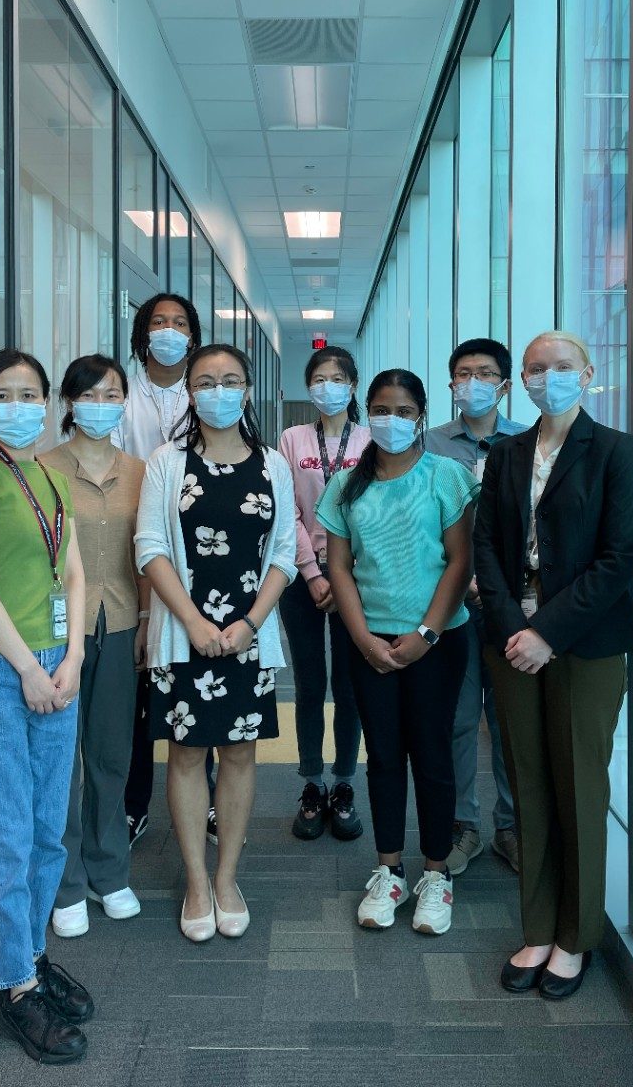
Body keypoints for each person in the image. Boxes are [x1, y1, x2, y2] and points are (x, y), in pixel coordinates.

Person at [474, 331, 633, 1000]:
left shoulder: (614, 452)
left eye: (563, 367)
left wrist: (546, 631)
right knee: (529, 784)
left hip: (585, 644)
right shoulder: (508, 453)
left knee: (579, 785)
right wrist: (514, 628)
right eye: (537, 369)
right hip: (513, 640)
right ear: (522, 379)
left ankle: (576, 937)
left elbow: (619, 554)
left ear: (589, 374)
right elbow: (487, 543)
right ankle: (538, 928)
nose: (550, 378)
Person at [0, 349, 93, 1064]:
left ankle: (30, 959)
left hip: (53, 674)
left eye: (31, 394)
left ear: (48, 403)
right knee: (4, 841)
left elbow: (73, 573)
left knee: (46, 833)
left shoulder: (49, 477)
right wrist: (30, 668)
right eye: (4, 394)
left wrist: (74, 657)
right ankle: (14, 988)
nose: (19, 405)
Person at [134, 343, 296, 941]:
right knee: (184, 753)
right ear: (190, 393)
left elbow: (282, 552)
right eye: (206, 381)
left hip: (248, 638)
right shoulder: (166, 463)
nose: (218, 391)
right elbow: (149, 547)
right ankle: (196, 882)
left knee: (240, 753)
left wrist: (249, 623)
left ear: (247, 390)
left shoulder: (272, 464)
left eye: (230, 381)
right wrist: (194, 623)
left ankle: (228, 876)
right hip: (184, 636)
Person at [316, 369, 479, 937]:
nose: (392, 419)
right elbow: (338, 566)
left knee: (432, 753)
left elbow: (460, 562)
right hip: (369, 640)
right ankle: (388, 871)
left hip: (437, 641)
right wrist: (362, 637)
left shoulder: (448, 477)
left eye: (405, 410)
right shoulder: (346, 486)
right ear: (367, 413)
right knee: (383, 755)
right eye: (381, 409)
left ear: (421, 414)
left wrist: (426, 635)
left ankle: (436, 875)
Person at [41, 355, 148, 939]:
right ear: (69, 403)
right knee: (63, 758)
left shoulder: (141, 470)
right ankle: (67, 882)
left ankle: (111, 872)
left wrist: (151, 620)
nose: (101, 405)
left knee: (111, 753)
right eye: (90, 395)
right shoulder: (41, 467)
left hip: (124, 619)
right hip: (58, 629)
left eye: (112, 395)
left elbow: (152, 553)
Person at [425, 339, 525, 876]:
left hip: (510, 607)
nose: (473, 383)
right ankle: (463, 827)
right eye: (463, 374)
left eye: (484, 374)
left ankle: (510, 826)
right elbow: (422, 524)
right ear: (451, 385)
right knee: (459, 720)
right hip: (454, 607)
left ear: (505, 385)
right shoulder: (431, 445)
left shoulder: (528, 442)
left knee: (507, 720)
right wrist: (459, 587)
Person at [117, 293, 203, 848]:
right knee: (139, 683)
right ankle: (133, 801)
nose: (168, 331)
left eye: (179, 323)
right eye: (158, 322)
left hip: (200, 554)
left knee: (201, 680)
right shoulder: (121, 393)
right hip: (131, 546)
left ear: (192, 334)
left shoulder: (209, 391)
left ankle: (209, 799)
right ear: (142, 333)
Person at [278, 346, 369, 841]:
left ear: (353, 385)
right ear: (309, 386)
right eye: (319, 378)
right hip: (302, 580)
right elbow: (285, 509)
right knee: (310, 685)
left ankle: (345, 783)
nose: (328, 386)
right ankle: (311, 782)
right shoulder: (292, 439)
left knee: (350, 687)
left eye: (337, 378)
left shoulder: (372, 438)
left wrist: (343, 574)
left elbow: (378, 510)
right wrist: (313, 571)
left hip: (357, 581)